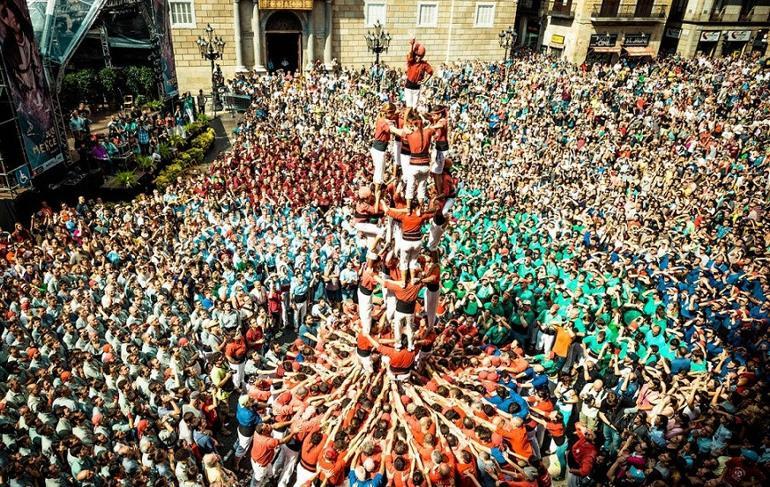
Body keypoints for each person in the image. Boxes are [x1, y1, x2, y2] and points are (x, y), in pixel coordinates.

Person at [404, 39, 433, 108]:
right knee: (409, 106)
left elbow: (430, 72)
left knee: (414, 107)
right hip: (408, 86)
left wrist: (425, 81)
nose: (418, 57)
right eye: (417, 55)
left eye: (420, 56)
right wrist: (412, 45)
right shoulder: (411, 62)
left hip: (417, 87)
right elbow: (410, 55)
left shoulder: (424, 64)